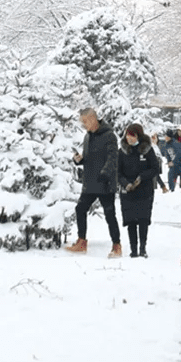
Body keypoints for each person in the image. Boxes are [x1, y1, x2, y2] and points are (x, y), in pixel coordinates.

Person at [65, 108, 122, 257]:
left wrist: (105, 174)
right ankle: (82, 241)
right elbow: (88, 158)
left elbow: (113, 159)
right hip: (90, 182)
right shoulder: (87, 136)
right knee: (80, 209)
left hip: (105, 183)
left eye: (85, 121)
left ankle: (116, 246)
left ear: (93, 119)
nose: (83, 125)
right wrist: (80, 160)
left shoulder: (109, 136)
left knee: (110, 215)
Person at [118, 123, 162, 258]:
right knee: (131, 221)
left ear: (138, 136)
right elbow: (118, 172)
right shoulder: (122, 151)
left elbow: (155, 168)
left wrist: (142, 177)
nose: (129, 139)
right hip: (128, 191)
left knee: (143, 220)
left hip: (144, 191)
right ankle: (133, 250)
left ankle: (142, 248)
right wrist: (125, 183)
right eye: (128, 136)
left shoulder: (147, 150)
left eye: (132, 136)